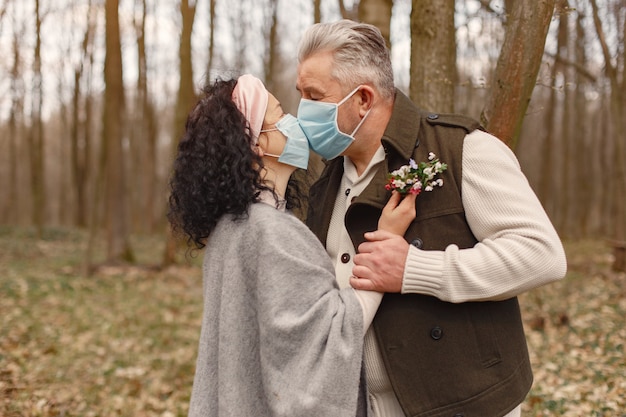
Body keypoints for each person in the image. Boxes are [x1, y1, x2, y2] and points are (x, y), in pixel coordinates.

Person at [295, 20, 567, 417]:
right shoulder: (326, 184)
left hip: (466, 405)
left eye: (313, 96)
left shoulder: (462, 150)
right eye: (300, 94)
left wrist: (415, 269)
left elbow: (542, 254)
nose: (303, 109)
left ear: (363, 99)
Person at [166, 74, 417, 417]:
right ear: (257, 143)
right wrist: (386, 239)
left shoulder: (231, 227)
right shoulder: (271, 232)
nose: (294, 122)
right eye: (279, 115)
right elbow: (327, 338)